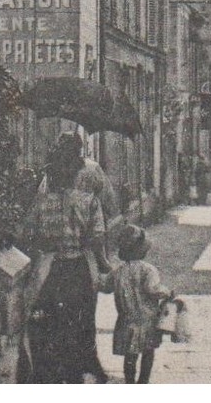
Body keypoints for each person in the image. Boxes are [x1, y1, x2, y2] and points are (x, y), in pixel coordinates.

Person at [19, 137, 110, 383]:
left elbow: (27, 233)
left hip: (48, 268)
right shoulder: (89, 200)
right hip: (79, 267)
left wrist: (43, 245)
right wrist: (104, 265)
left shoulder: (41, 201)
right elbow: (97, 238)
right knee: (81, 320)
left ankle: (48, 372)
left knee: (46, 321)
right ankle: (78, 370)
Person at [111, 225, 175, 384]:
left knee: (130, 355)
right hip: (146, 320)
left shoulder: (118, 271)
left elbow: (104, 285)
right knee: (148, 352)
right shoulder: (148, 270)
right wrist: (167, 292)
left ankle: (130, 382)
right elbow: (153, 289)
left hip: (126, 319)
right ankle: (143, 382)